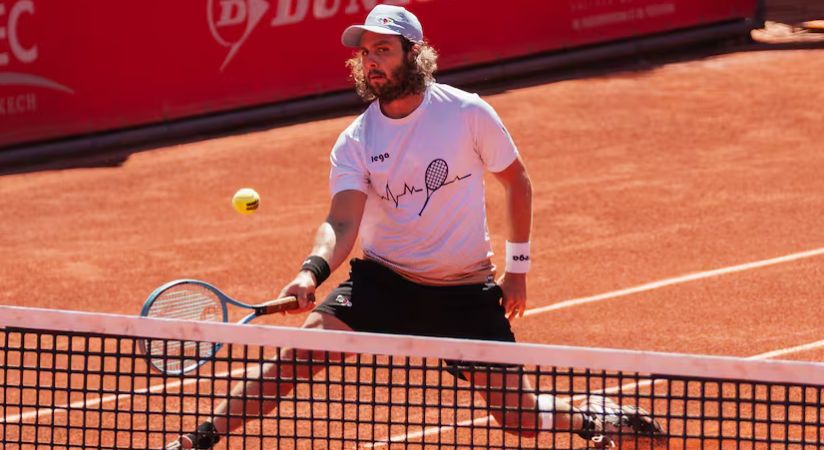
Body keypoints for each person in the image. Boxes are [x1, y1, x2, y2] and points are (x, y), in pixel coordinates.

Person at [168, 5, 662, 449]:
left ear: (415, 53)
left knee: (521, 418)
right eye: (365, 53)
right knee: (299, 352)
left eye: (383, 50)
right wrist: (309, 273)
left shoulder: (466, 113)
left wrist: (517, 270)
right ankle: (200, 438)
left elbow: (517, 182)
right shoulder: (356, 140)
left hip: (463, 291)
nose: (371, 61)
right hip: (385, 283)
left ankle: (590, 416)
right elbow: (342, 220)